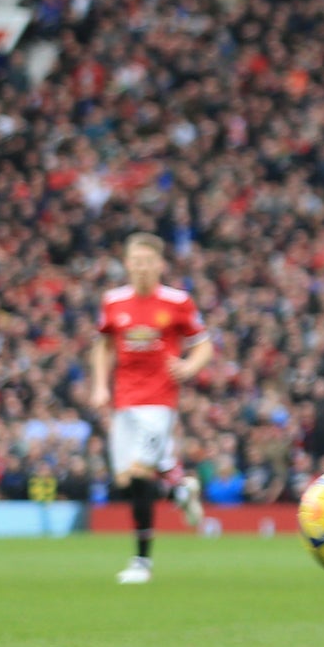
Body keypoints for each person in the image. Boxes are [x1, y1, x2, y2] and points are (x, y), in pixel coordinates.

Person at [88, 232, 214, 583]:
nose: (142, 267)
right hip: (123, 401)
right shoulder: (113, 301)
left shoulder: (178, 301)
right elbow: (102, 346)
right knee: (125, 481)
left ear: (160, 265)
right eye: (136, 261)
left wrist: (189, 367)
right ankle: (178, 485)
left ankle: (142, 562)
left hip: (159, 402)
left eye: (148, 261)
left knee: (142, 474)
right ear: (127, 264)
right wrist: (99, 385)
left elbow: (204, 345)